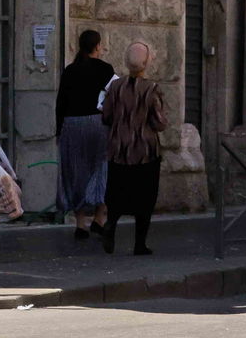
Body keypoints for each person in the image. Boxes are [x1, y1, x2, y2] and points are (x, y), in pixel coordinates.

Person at [99, 41, 169, 256]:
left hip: (119, 148)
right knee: (145, 198)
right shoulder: (151, 89)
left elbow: (106, 115)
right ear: (147, 62)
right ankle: (140, 243)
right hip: (144, 151)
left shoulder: (115, 86)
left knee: (117, 194)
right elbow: (159, 123)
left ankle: (110, 225)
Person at [55, 30, 115, 240]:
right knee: (101, 168)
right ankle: (99, 217)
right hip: (98, 124)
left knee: (75, 171)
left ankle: (80, 223)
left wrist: (58, 130)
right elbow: (112, 99)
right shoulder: (106, 69)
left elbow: (60, 102)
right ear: (97, 46)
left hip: (71, 124)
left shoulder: (70, 70)